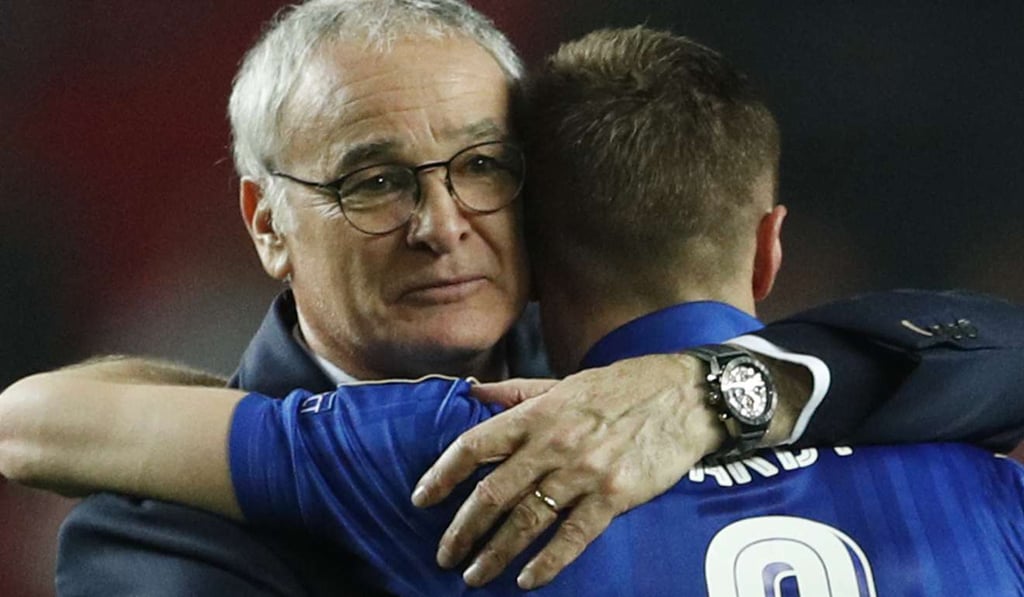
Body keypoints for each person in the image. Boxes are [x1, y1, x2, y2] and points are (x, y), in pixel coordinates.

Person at [3, 2, 1024, 595]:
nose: (441, 223)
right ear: (267, 222)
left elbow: (991, 351)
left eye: (481, 166)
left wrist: (708, 392)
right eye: (375, 181)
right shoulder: (160, 533)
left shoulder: (626, 382)